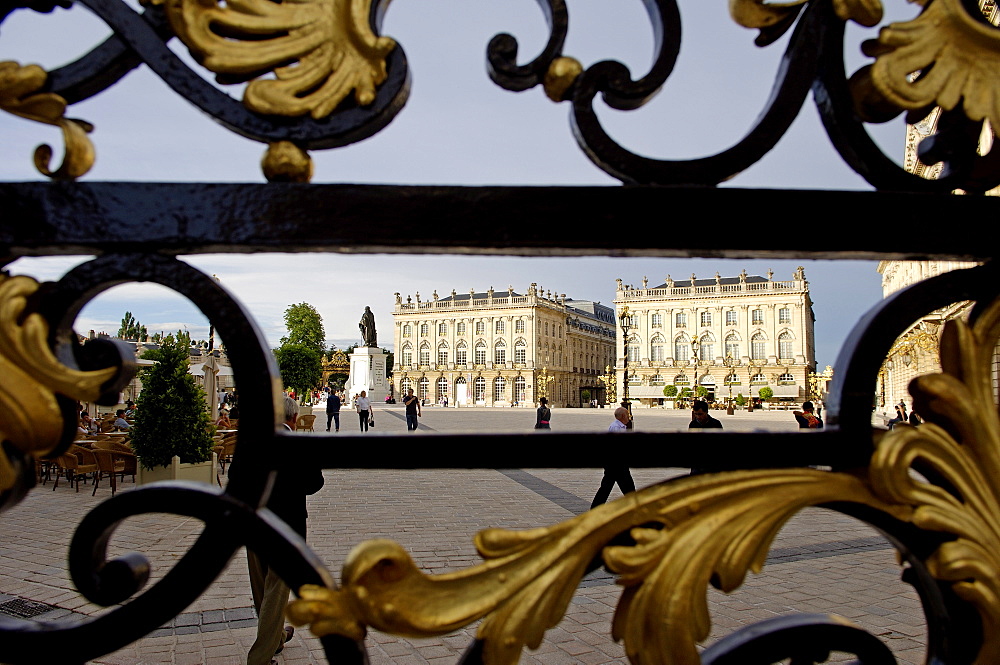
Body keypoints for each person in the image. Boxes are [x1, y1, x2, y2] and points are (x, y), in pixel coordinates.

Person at [231, 396, 325, 665]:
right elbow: (312, 483)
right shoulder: (298, 445)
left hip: (254, 523)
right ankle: (260, 657)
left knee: (261, 587)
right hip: (286, 527)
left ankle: (277, 638)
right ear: (294, 419)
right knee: (276, 590)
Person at [591, 407, 636, 508]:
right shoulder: (616, 428)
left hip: (616, 463)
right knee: (626, 487)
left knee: (608, 488)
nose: (629, 417)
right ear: (623, 416)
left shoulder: (621, 427)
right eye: (627, 415)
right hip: (616, 463)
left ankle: (595, 507)